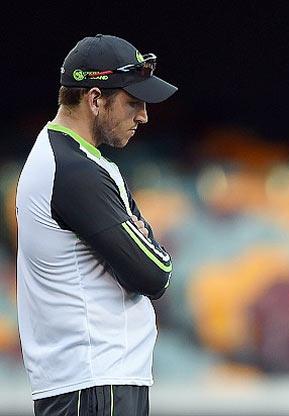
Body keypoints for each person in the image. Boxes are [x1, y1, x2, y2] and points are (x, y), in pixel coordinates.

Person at [16, 34, 177, 416]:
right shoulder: (75, 171)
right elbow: (155, 274)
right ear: (94, 99)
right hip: (94, 385)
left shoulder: (69, 159)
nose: (144, 115)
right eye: (133, 102)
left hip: (91, 381)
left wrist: (142, 236)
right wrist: (145, 239)